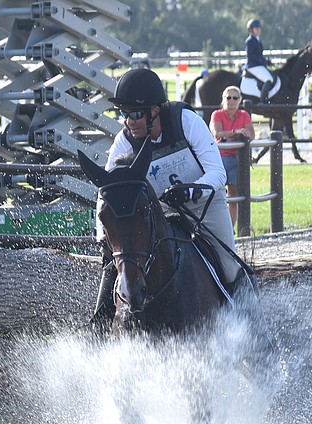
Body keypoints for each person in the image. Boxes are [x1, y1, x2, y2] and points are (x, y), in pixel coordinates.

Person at [92, 68, 241, 326]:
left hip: (204, 204)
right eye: (125, 114)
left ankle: (249, 328)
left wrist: (191, 188)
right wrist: (101, 234)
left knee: (229, 267)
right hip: (159, 210)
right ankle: (100, 324)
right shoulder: (124, 142)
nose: (130, 121)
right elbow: (106, 193)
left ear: (155, 111)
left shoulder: (186, 122)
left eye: (136, 114)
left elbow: (218, 173)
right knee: (115, 264)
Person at [210, 85, 255, 231]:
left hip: (237, 159)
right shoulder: (217, 114)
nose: (231, 101)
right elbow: (217, 134)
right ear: (223, 100)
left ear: (240, 100)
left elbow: (251, 133)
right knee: (217, 195)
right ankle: (218, 228)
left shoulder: (244, 115)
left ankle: (231, 228)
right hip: (220, 158)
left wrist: (230, 134)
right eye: (228, 97)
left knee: (234, 195)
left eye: (235, 98)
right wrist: (236, 132)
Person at [244, 18, 274, 103]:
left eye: (259, 28)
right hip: (252, 65)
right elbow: (251, 56)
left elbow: (259, 54)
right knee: (268, 79)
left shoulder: (258, 39)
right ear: (251, 30)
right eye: (256, 28)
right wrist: (262, 61)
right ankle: (262, 101)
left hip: (258, 64)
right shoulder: (249, 41)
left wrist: (266, 61)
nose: (258, 30)